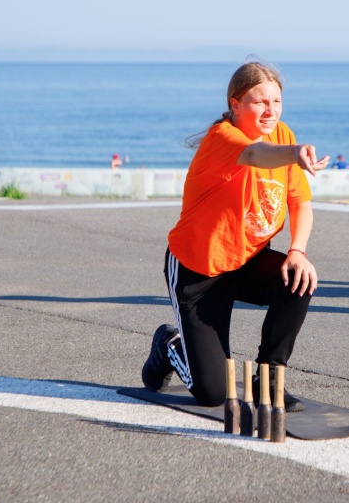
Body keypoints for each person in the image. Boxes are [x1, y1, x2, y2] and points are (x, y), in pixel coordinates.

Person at [142, 61, 331, 410]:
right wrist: (294, 154)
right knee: (213, 394)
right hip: (199, 270)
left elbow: (300, 203)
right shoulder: (222, 138)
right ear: (236, 104)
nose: (270, 111)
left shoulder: (283, 134)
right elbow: (256, 154)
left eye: (276, 101)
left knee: (298, 280)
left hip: (247, 260)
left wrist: (297, 251)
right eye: (260, 102)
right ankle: (171, 345)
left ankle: (268, 379)